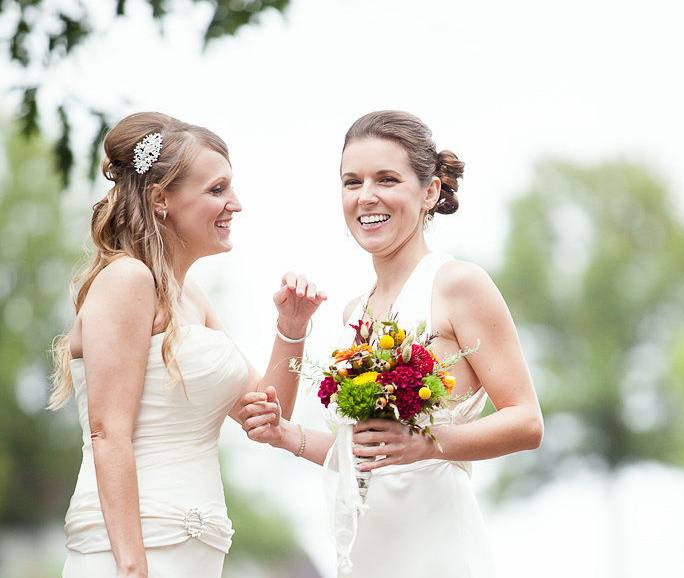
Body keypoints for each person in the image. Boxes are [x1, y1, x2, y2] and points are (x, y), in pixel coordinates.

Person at [239, 110, 544, 577]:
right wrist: (285, 435)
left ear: (430, 192)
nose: (366, 197)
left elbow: (527, 422)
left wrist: (426, 443)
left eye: (386, 179)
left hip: (437, 543)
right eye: (352, 181)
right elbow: (363, 452)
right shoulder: (353, 313)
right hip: (368, 548)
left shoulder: (458, 284)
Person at [50, 112, 325, 578]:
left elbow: (264, 416)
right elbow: (107, 431)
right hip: (137, 550)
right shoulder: (126, 280)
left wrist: (291, 327)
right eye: (217, 190)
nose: (235, 204)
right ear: (162, 199)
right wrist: (133, 567)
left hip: (197, 551)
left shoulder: (192, 299)